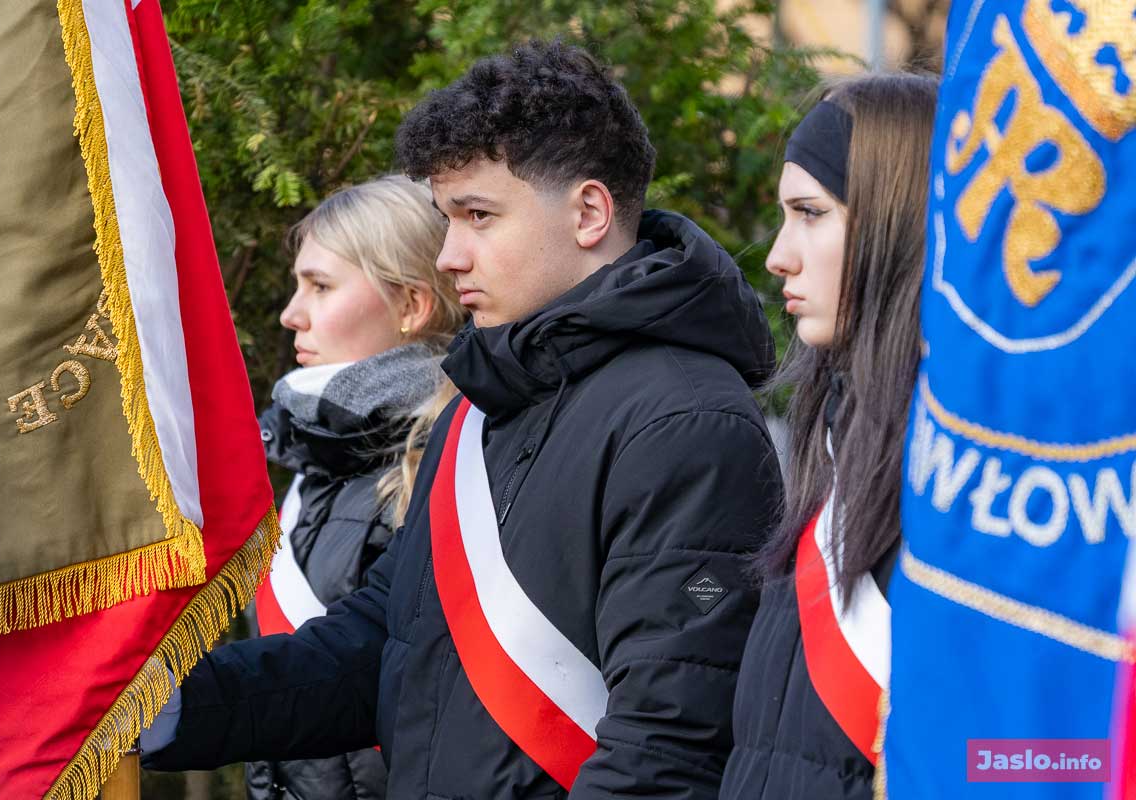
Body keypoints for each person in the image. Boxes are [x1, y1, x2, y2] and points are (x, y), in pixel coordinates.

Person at [145, 40, 783, 799]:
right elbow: (380, 647)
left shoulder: (687, 422)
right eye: (447, 219)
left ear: (588, 212)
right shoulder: (480, 409)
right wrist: (156, 710)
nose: (449, 256)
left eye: (478, 215)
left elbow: (668, 747)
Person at [718, 73, 939, 799]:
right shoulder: (836, 445)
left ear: (899, 220)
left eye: (810, 213)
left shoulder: (969, 484)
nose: (778, 256)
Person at [246, 175, 466, 800]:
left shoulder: (453, 461)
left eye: (320, 286)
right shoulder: (314, 460)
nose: (291, 314)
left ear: (411, 306)